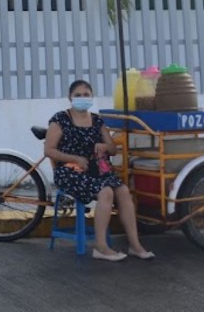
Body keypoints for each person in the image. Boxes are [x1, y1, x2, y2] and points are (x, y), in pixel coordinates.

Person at [44, 79, 155, 261]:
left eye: (86, 95)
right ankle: (101, 247)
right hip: (69, 171)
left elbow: (113, 150)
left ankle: (135, 245)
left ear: (92, 97)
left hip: (96, 169)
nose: (82, 98)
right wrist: (75, 158)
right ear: (70, 97)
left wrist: (104, 146)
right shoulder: (60, 119)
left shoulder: (97, 121)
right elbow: (49, 150)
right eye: (78, 95)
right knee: (106, 192)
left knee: (123, 191)